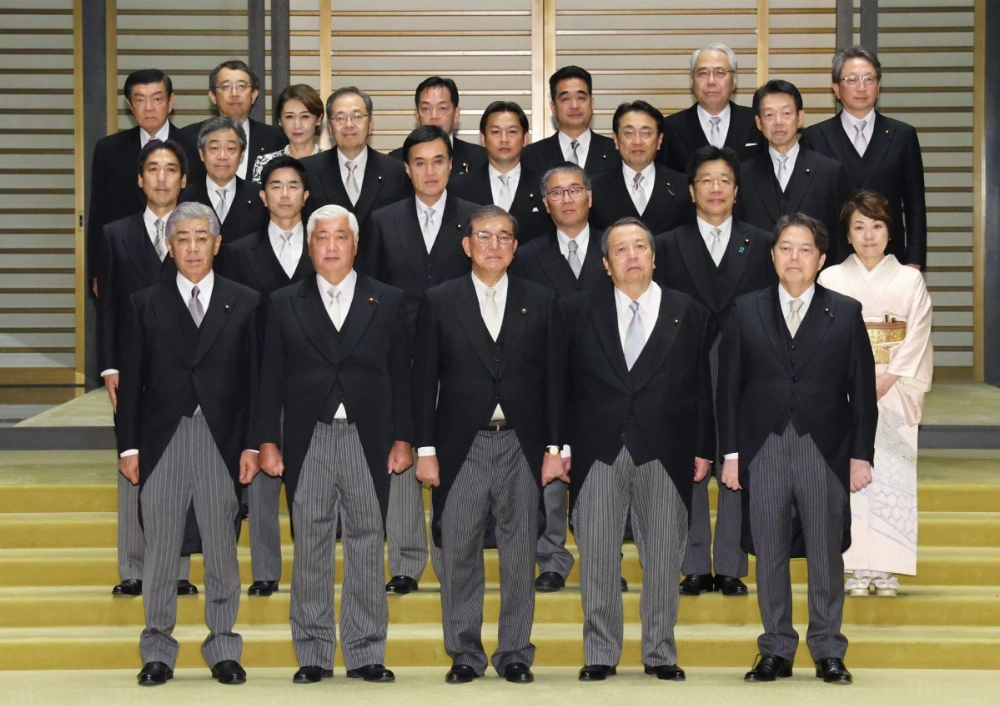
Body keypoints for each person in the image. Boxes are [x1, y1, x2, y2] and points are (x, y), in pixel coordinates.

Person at [717, 213, 877, 685]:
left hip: (823, 448)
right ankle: (776, 649)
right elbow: (727, 389)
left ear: (822, 259)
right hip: (762, 447)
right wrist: (730, 455)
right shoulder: (746, 310)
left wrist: (861, 454)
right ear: (772, 256)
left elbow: (862, 392)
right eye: (785, 247)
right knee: (769, 550)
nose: (794, 257)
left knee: (826, 552)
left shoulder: (845, 312)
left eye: (805, 249)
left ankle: (828, 649)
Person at [412, 205, 565, 685]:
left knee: (520, 551)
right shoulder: (439, 299)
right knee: (458, 552)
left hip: (522, 443)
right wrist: (425, 449)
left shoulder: (541, 300)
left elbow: (555, 380)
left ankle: (515, 651)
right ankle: (464, 652)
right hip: (461, 446)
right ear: (466, 245)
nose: (494, 244)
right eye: (484, 235)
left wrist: (555, 447)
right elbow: (423, 381)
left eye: (504, 236)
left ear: (516, 247)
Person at [257, 204, 410, 685]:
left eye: (340, 236)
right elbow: (269, 378)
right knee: (311, 544)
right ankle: (314, 652)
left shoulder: (385, 299)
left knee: (368, 541)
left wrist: (405, 437)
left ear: (355, 244)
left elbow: (402, 375)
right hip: (310, 437)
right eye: (320, 237)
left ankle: (365, 650)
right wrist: (266, 440)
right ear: (309, 245)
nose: (330, 246)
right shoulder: (284, 302)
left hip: (370, 436)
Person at [115, 201, 260, 687]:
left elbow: (255, 382)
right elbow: (131, 383)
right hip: (163, 440)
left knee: (221, 547)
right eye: (183, 239)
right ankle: (158, 648)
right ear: (169, 246)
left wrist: (253, 446)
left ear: (217, 245)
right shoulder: (144, 302)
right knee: (160, 549)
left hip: (222, 439)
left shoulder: (244, 300)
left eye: (202, 238)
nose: (193, 247)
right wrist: (129, 448)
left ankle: (223, 647)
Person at [563, 218, 715, 682]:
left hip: (666, 449)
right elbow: (563, 384)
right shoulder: (576, 310)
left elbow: (702, 388)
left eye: (640, 248)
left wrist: (705, 447)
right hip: (597, 450)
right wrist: (561, 445)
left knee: (665, 556)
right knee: (598, 554)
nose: (632, 256)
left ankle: (660, 651)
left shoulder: (688, 311)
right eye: (620, 250)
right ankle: (601, 651)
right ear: (606, 264)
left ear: (653, 256)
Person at [654, 145, 777, 598]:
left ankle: (729, 562)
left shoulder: (763, 242)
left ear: (737, 189)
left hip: (744, 361)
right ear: (691, 191)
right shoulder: (665, 244)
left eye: (724, 180)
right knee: (690, 457)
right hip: (684, 361)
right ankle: (691, 561)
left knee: (734, 455)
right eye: (706, 180)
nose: (715, 188)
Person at [363, 125, 479, 595]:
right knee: (404, 449)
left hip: (462, 354)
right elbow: (370, 291)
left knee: (454, 450)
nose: (429, 171)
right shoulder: (382, 220)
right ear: (406, 169)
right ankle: (408, 559)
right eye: (419, 163)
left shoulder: (476, 219)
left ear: (451, 166)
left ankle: (454, 554)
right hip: (401, 354)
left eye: (438, 161)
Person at [97, 138, 200, 599]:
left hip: (185, 369)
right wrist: (109, 368)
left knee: (181, 463)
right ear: (140, 180)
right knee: (133, 459)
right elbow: (107, 309)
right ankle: (134, 566)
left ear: (184, 179)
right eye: (153, 169)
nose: (162, 178)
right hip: (133, 370)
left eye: (171, 169)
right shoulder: (116, 233)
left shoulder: (198, 233)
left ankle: (176, 567)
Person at [817, 189, 933, 596]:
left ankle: (887, 567)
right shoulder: (830, 278)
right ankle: (852, 566)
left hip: (895, 387)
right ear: (846, 234)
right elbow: (823, 339)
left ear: (890, 231)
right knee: (849, 475)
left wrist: (887, 378)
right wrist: (854, 384)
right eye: (859, 227)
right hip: (844, 391)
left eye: (877, 226)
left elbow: (917, 335)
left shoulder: (909, 278)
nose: (869, 235)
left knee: (893, 477)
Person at [219, 155, 316, 597]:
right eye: (275, 186)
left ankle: (310, 566)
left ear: (306, 195)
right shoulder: (239, 251)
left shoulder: (328, 244)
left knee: (309, 473)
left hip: (314, 375)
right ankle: (264, 570)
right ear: (262, 196)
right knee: (260, 467)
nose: (284, 194)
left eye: (293, 186)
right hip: (258, 372)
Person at [509, 162, 603, 593]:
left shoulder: (616, 246)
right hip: (544, 375)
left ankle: (602, 560)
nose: (567, 199)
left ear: (590, 196)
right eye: (557, 193)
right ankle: (550, 558)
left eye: (575, 190)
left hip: (605, 377)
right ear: (546, 204)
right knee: (546, 467)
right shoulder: (526, 256)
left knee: (598, 473)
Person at [804, 46, 927, 269]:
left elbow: (915, 205)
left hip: (891, 257)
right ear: (836, 89)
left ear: (879, 86)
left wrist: (914, 261)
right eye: (851, 79)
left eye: (868, 79)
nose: (861, 87)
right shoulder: (815, 137)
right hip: (834, 260)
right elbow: (811, 206)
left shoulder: (903, 135)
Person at [88, 69, 194, 297]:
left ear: (170, 102)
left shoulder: (193, 146)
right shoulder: (109, 149)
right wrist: (97, 270)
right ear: (129, 104)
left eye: (157, 99)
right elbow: (98, 211)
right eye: (140, 100)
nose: (149, 107)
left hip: (182, 259)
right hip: (124, 262)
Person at [735, 81, 849, 265]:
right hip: (757, 280)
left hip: (815, 280)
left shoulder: (829, 171)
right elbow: (738, 236)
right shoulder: (743, 173)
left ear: (800, 117)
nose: (778, 122)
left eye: (786, 113)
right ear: (758, 122)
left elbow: (840, 237)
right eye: (769, 115)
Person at [300, 86, 410, 234]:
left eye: (357, 116)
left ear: (370, 124)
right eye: (340, 118)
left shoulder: (396, 171)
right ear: (331, 129)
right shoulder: (307, 170)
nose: (349, 124)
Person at [449, 100, 550, 243]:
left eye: (512, 132)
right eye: (496, 132)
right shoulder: (459, 188)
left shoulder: (544, 186)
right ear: (483, 138)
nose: (504, 139)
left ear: (525, 138)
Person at [590, 101, 692, 236]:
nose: (637, 141)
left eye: (646, 133)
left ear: (659, 140)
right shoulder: (595, 188)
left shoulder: (683, 186)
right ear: (615, 139)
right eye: (629, 133)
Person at [657, 43, 764, 171]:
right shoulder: (670, 128)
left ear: (734, 80)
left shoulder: (756, 122)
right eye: (703, 73)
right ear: (692, 80)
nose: (711, 81)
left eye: (720, 72)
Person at [180, 60, 287, 183]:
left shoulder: (276, 139)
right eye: (226, 87)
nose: (234, 93)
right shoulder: (188, 138)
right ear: (213, 96)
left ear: (254, 95)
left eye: (241, 86)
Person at [179, 116, 269, 255]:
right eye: (214, 148)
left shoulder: (260, 196)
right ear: (201, 154)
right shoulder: (184, 197)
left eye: (231, 148)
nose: (222, 156)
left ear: (242, 155)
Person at [521, 66, 619, 176]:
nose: (574, 105)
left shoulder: (616, 151)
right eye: (565, 99)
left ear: (592, 103)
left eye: (581, 98)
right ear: (553, 108)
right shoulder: (530, 156)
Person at [388, 76, 488, 176]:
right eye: (426, 109)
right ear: (417, 115)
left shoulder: (480, 159)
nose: (434, 116)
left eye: (442, 108)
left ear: (456, 114)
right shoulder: (396, 161)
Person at [251, 84, 325, 184]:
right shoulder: (265, 162)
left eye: (305, 117)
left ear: (318, 119)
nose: (297, 125)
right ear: (280, 120)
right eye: (289, 117)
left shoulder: (330, 162)